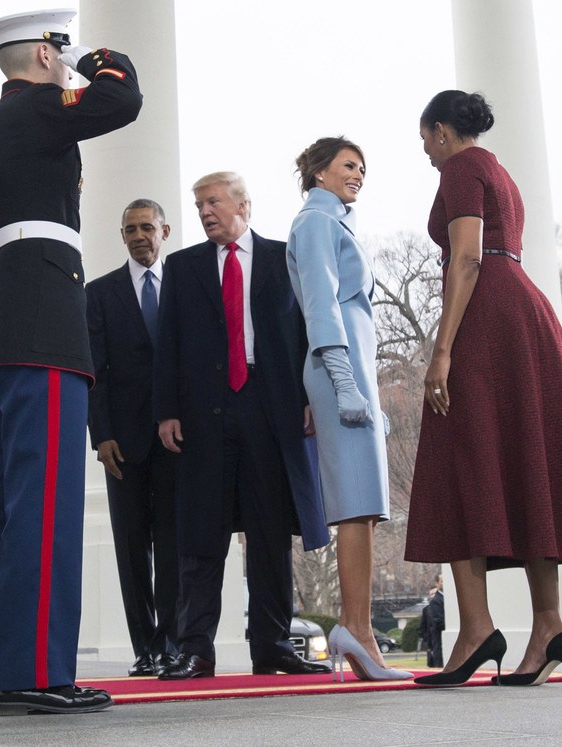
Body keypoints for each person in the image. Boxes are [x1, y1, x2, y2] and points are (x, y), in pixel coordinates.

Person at [0, 9, 142, 715]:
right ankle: (37, 670)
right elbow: (120, 96)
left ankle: (9, 673)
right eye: (62, 54)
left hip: (5, 327)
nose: (69, 66)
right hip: (43, 324)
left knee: (10, 507)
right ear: (43, 52)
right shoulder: (37, 106)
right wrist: (102, 57)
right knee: (46, 506)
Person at [406, 90, 562, 687]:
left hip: (487, 319)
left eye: (424, 137)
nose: (423, 149)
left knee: (458, 461)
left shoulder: (462, 167)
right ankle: (547, 624)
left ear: (442, 130)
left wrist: (442, 349)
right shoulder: (498, 169)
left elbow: (465, 258)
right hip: (522, 313)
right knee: (525, 462)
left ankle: (476, 630)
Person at [153, 171, 331, 680]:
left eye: (212, 201)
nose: (204, 211)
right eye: (198, 204)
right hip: (203, 413)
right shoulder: (183, 267)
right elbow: (169, 344)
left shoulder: (282, 258)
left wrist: (310, 398)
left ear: (243, 205)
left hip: (270, 407)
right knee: (201, 533)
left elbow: (303, 333)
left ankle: (273, 645)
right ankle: (196, 649)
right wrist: (166, 409)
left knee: (270, 532)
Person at [286, 137, 412, 682]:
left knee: (365, 506)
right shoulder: (314, 223)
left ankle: (356, 629)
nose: (358, 174)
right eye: (347, 165)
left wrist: (368, 390)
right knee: (354, 502)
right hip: (338, 372)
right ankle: (356, 630)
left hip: (356, 374)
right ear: (317, 173)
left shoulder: (337, 224)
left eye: (363, 167)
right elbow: (320, 307)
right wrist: (344, 384)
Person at [86, 199, 179, 677]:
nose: (139, 235)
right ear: (121, 235)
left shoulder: (183, 287)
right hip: (122, 444)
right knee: (130, 547)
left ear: (164, 230)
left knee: (172, 546)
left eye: (147, 227)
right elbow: (93, 371)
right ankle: (144, 648)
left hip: (176, 442)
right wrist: (100, 435)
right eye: (130, 229)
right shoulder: (99, 294)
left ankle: (171, 645)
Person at [427, 574, 445, 668]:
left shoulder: (449, 599)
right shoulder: (436, 601)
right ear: (437, 583)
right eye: (442, 581)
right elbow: (438, 622)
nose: (445, 583)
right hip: (441, 643)